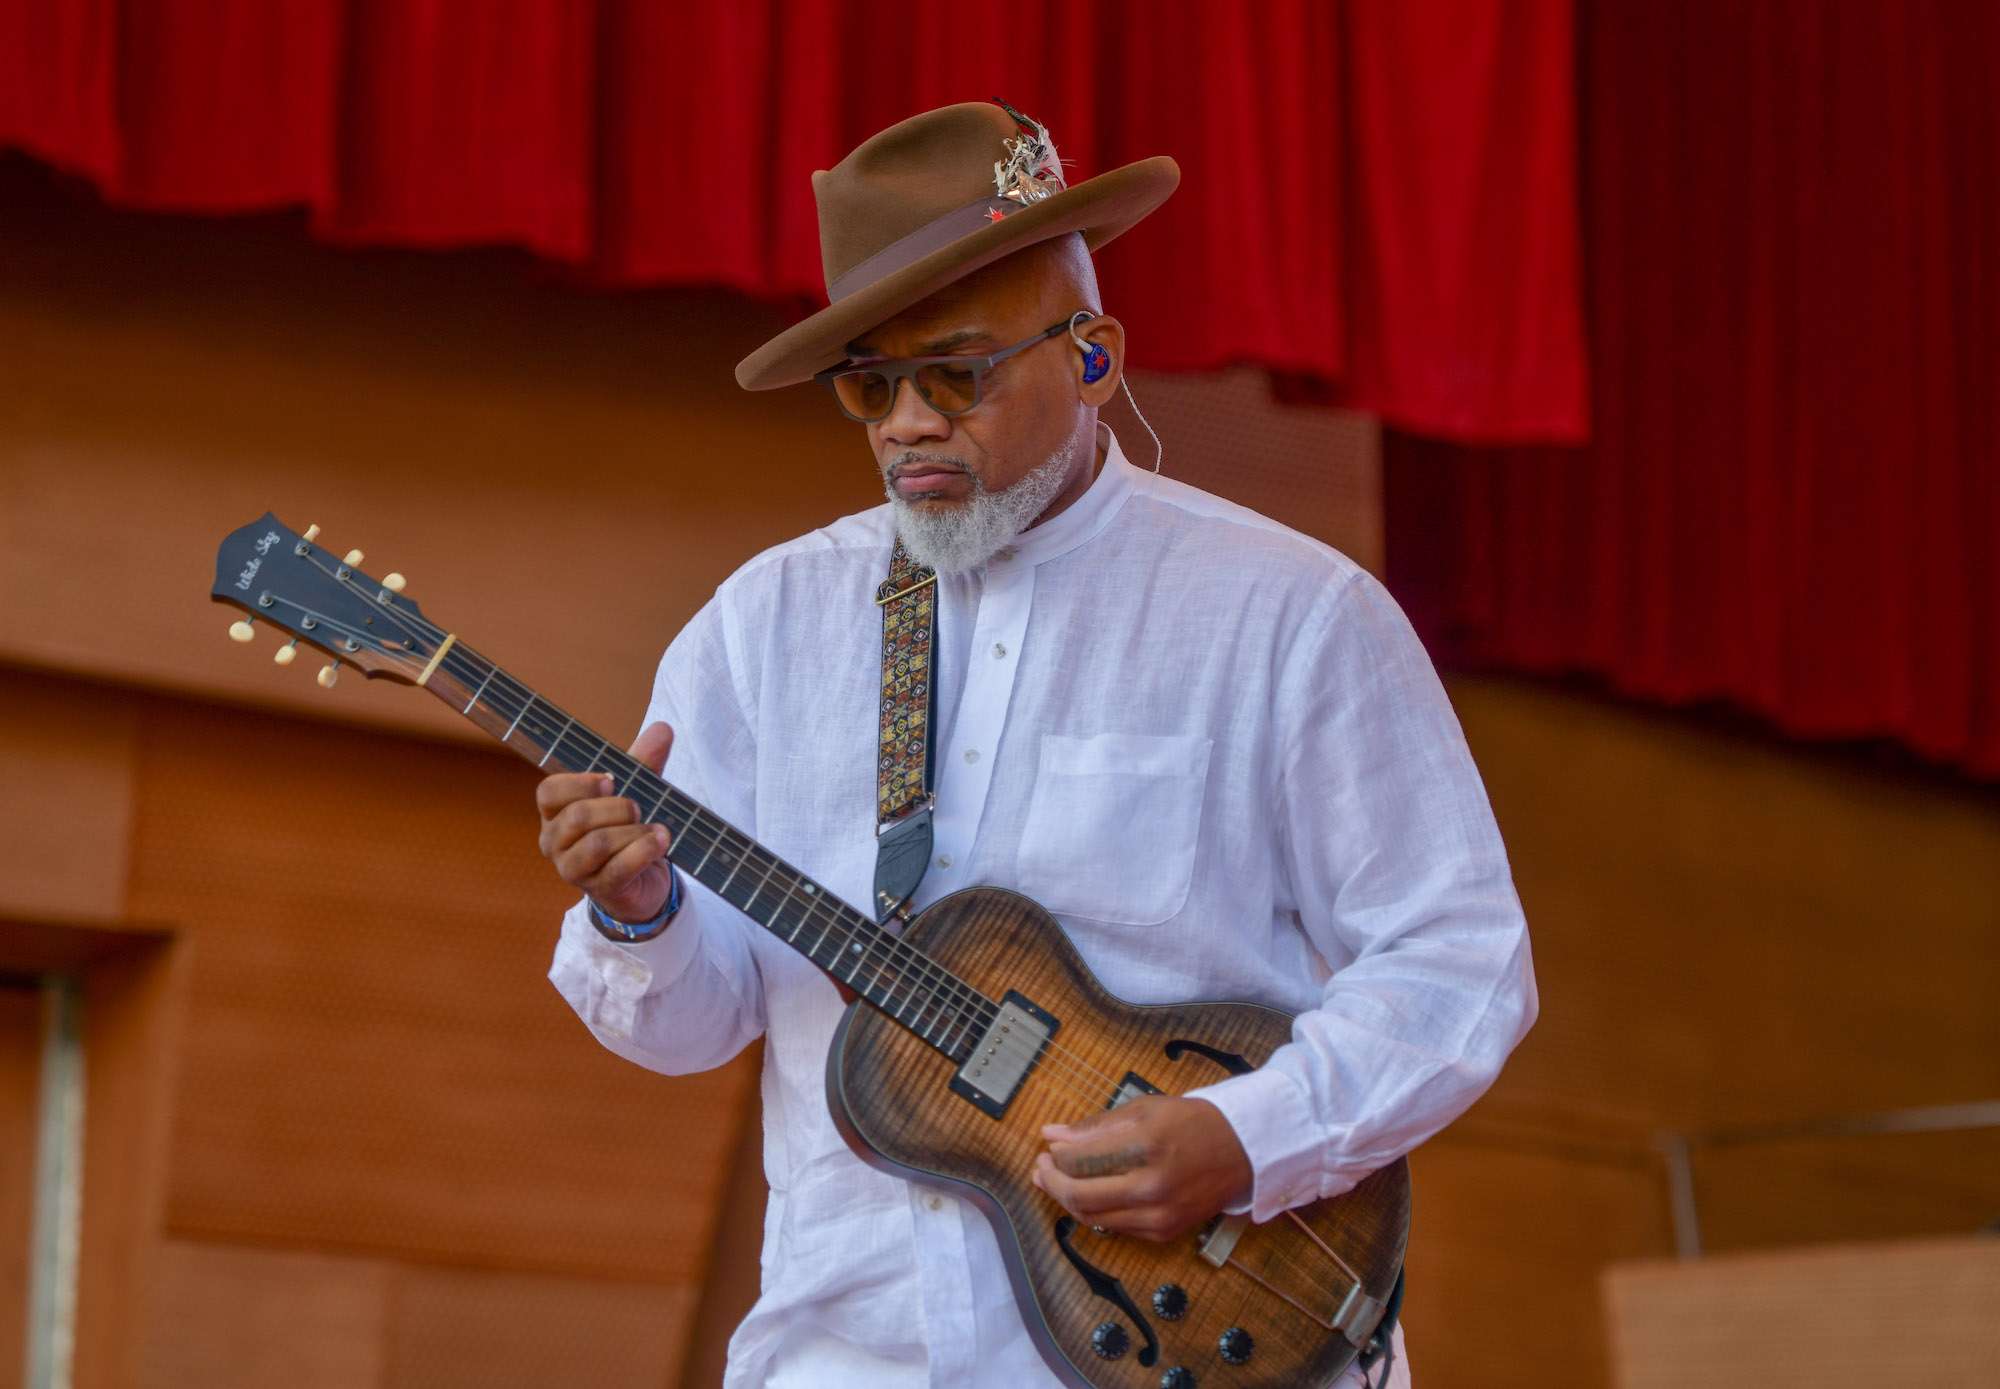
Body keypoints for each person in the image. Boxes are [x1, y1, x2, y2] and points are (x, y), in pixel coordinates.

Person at [537, 101, 1536, 1388]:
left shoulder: (1289, 615)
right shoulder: (763, 628)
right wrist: (638, 911)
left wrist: (1251, 1134)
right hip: (853, 1356)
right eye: (869, 384)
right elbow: (688, 1027)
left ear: (1094, 356)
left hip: (1211, 1340)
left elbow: (1460, 960)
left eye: (953, 373)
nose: (905, 422)